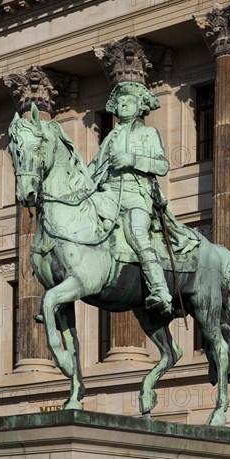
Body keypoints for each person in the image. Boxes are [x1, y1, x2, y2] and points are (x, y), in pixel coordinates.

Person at [89, 81, 173, 316]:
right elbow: (93, 169)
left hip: (137, 196)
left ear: (140, 106)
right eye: (120, 101)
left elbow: (162, 165)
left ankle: (160, 290)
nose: (123, 103)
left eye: (129, 100)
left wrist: (132, 160)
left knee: (137, 235)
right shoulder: (109, 138)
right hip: (108, 196)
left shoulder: (148, 133)